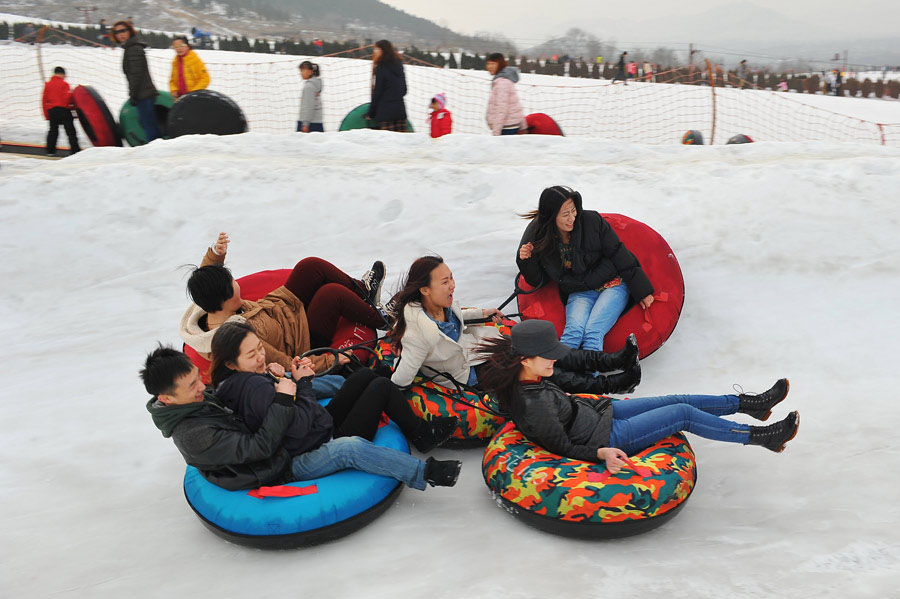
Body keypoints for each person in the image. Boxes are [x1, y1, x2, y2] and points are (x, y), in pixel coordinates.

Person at [476, 320, 801, 470]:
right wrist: (601, 454)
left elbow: (576, 383)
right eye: (548, 354)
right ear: (525, 359)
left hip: (601, 414)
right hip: (606, 435)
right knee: (682, 414)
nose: (554, 358)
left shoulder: (534, 375)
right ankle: (762, 436)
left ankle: (751, 404)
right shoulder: (533, 404)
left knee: (677, 400)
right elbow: (561, 445)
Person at [141, 346, 461, 493]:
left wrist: (274, 381)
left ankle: (415, 427)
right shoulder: (194, 434)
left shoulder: (201, 397)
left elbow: (252, 407)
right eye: (192, 386)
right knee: (347, 448)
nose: (202, 386)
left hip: (288, 437)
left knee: (365, 382)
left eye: (199, 377)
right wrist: (286, 396)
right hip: (280, 465)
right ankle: (426, 472)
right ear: (167, 398)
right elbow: (261, 447)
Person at [211, 321, 459, 454]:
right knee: (381, 387)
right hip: (322, 440)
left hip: (317, 425)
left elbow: (278, 410)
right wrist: (304, 382)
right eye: (251, 354)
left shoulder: (238, 382)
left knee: (363, 379)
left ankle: (375, 378)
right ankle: (422, 434)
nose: (260, 356)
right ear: (231, 363)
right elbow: (296, 426)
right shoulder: (252, 388)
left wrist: (274, 376)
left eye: (260, 348)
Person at [179, 232, 389, 387]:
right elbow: (287, 365)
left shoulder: (209, 306)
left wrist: (216, 255)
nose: (237, 284)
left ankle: (364, 291)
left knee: (310, 266)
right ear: (225, 298)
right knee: (331, 294)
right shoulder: (238, 338)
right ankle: (383, 320)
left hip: (281, 306)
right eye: (232, 283)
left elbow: (207, 276)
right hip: (300, 338)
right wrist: (331, 359)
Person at [516, 185, 654, 355]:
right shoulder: (544, 238)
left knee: (592, 332)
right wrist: (526, 261)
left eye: (573, 210)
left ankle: (591, 380)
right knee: (572, 334)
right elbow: (538, 280)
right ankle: (562, 378)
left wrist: (642, 290)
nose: (572, 218)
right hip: (579, 289)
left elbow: (619, 253)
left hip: (612, 283)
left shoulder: (592, 222)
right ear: (552, 216)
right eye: (565, 214)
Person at [387, 255, 505, 389]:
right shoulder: (418, 334)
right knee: (519, 368)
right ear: (425, 290)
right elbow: (401, 380)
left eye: (451, 278)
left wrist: (483, 314)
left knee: (518, 350)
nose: (452, 285)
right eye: (445, 282)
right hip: (466, 377)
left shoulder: (441, 306)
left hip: (474, 354)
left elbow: (455, 318)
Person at [111, 21, 161, 142]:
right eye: (117, 32)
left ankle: (155, 151)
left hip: (143, 93)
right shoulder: (130, 47)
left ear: (130, 31)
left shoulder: (133, 49)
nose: (120, 34)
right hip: (143, 92)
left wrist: (133, 95)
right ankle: (158, 148)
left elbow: (136, 76)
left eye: (123, 30)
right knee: (150, 123)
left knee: (148, 124)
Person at [367, 40, 408, 132]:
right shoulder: (399, 65)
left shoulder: (381, 68)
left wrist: (371, 113)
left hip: (386, 114)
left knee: (387, 145)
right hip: (400, 112)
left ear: (383, 50)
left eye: (377, 49)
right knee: (401, 144)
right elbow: (404, 90)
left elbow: (377, 92)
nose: (374, 52)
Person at [42, 67, 81, 157]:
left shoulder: (48, 85)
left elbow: (44, 100)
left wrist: (46, 115)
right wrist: (75, 110)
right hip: (64, 110)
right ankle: (75, 150)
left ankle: (50, 151)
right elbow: (68, 98)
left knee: (53, 131)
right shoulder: (65, 84)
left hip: (52, 111)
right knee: (71, 132)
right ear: (62, 74)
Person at [484, 52, 526, 136]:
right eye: (488, 64)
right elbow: (515, 104)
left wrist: (496, 132)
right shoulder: (504, 80)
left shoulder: (502, 82)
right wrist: (524, 126)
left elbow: (501, 109)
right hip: (508, 126)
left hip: (506, 128)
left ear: (500, 64)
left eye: (493, 63)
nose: (490, 67)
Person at [169, 35, 209, 100]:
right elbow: (172, 81)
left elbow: (205, 79)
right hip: (180, 100)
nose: (179, 49)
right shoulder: (175, 62)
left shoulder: (195, 59)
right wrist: (174, 90)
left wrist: (194, 93)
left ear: (187, 46)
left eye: (182, 46)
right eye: (176, 47)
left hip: (194, 99)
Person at [297, 61, 323, 133]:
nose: (301, 73)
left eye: (303, 70)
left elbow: (308, 106)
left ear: (310, 72)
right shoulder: (316, 85)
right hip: (318, 122)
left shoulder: (309, 87)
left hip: (309, 124)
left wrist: (305, 123)